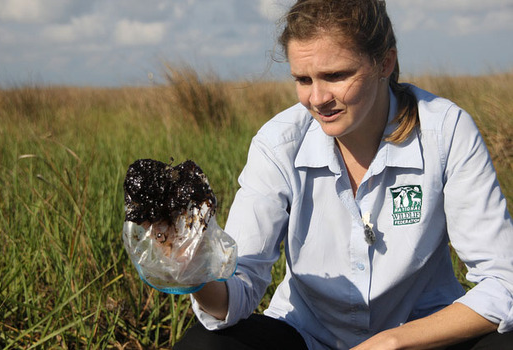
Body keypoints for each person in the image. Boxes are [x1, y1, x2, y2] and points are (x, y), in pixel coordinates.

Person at [174, 0, 513, 349]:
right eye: (303, 80)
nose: (317, 98)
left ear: (385, 62)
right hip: (307, 337)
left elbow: (505, 282)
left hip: (423, 339)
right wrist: (194, 273)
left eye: (335, 75)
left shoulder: (445, 130)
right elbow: (237, 289)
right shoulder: (277, 143)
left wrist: (394, 341)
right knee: (205, 345)